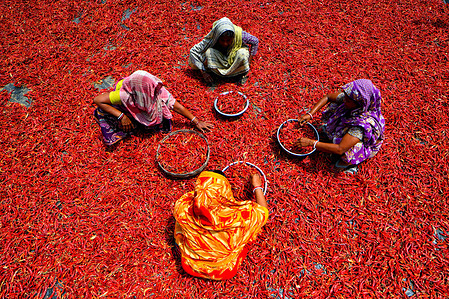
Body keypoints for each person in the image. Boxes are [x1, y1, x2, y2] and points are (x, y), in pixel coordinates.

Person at [173, 170, 268, 280]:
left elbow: (192, 196)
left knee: (179, 222)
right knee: (251, 231)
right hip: (224, 271)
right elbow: (263, 212)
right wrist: (257, 186)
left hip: (190, 266)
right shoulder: (239, 217)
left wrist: (204, 195)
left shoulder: (183, 208)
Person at [93, 70, 213, 146]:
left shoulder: (157, 90)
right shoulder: (125, 94)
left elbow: (177, 107)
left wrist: (196, 121)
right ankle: (127, 122)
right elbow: (97, 100)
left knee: (162, 124)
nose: (155, 90)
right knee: (103, 112)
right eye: (151, 89)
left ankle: (141, 120)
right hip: (127, 108)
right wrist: (121, 116)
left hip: (139, 107)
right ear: (144, 90)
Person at [296, 79, 385, 174]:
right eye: (345, 98)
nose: (345, 100)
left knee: (354, 147)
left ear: (359, 104)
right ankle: (333, 132)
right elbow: (328, 97)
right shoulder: (352, 99)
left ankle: (348, 163)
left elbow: (340, 148)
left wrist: (311, 143)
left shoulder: (361, 126)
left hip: (363, 145)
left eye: (348, 100)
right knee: (337, 105)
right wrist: (310, 114)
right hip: (350, 126)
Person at [189, 17, 259, 86]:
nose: (225, 44)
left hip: (234, 59)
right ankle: (218, 74)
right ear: (217, 37)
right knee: (208, 52)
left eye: (228, 40)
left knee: (242, 53)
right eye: (222, 40)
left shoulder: (239, 34)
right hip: (220, 57)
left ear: (233, 37)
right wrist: (203, 72)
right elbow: (193, 51)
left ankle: (240, 73)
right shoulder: (213, 36)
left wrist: (248, 62)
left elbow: (255, 41)